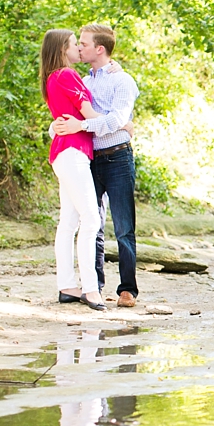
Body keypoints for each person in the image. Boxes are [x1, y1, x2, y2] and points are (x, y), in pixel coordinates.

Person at [54, 24, 141, 308]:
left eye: (83, 43)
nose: (79, 48)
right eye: (77, 44)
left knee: (124, 226)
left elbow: (116, 119)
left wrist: (86, 125)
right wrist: (60, 126)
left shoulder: (122, 80)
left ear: (99, 48)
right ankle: (96, 286)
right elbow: (70, 116)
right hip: (90, 158)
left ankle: (127, 290)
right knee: (94, 224)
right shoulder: (82, 81)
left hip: (117, 158)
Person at [39, 29, 107, 311]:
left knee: (69, 222)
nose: (79, 48)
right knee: (91, 219)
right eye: (73, 44)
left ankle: (67, 286)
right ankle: (91, 290)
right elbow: (90, 116)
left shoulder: (52, 77)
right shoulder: (66, 75)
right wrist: (120, 123)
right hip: (72, 152)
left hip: (64, 153)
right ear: (61, 49)